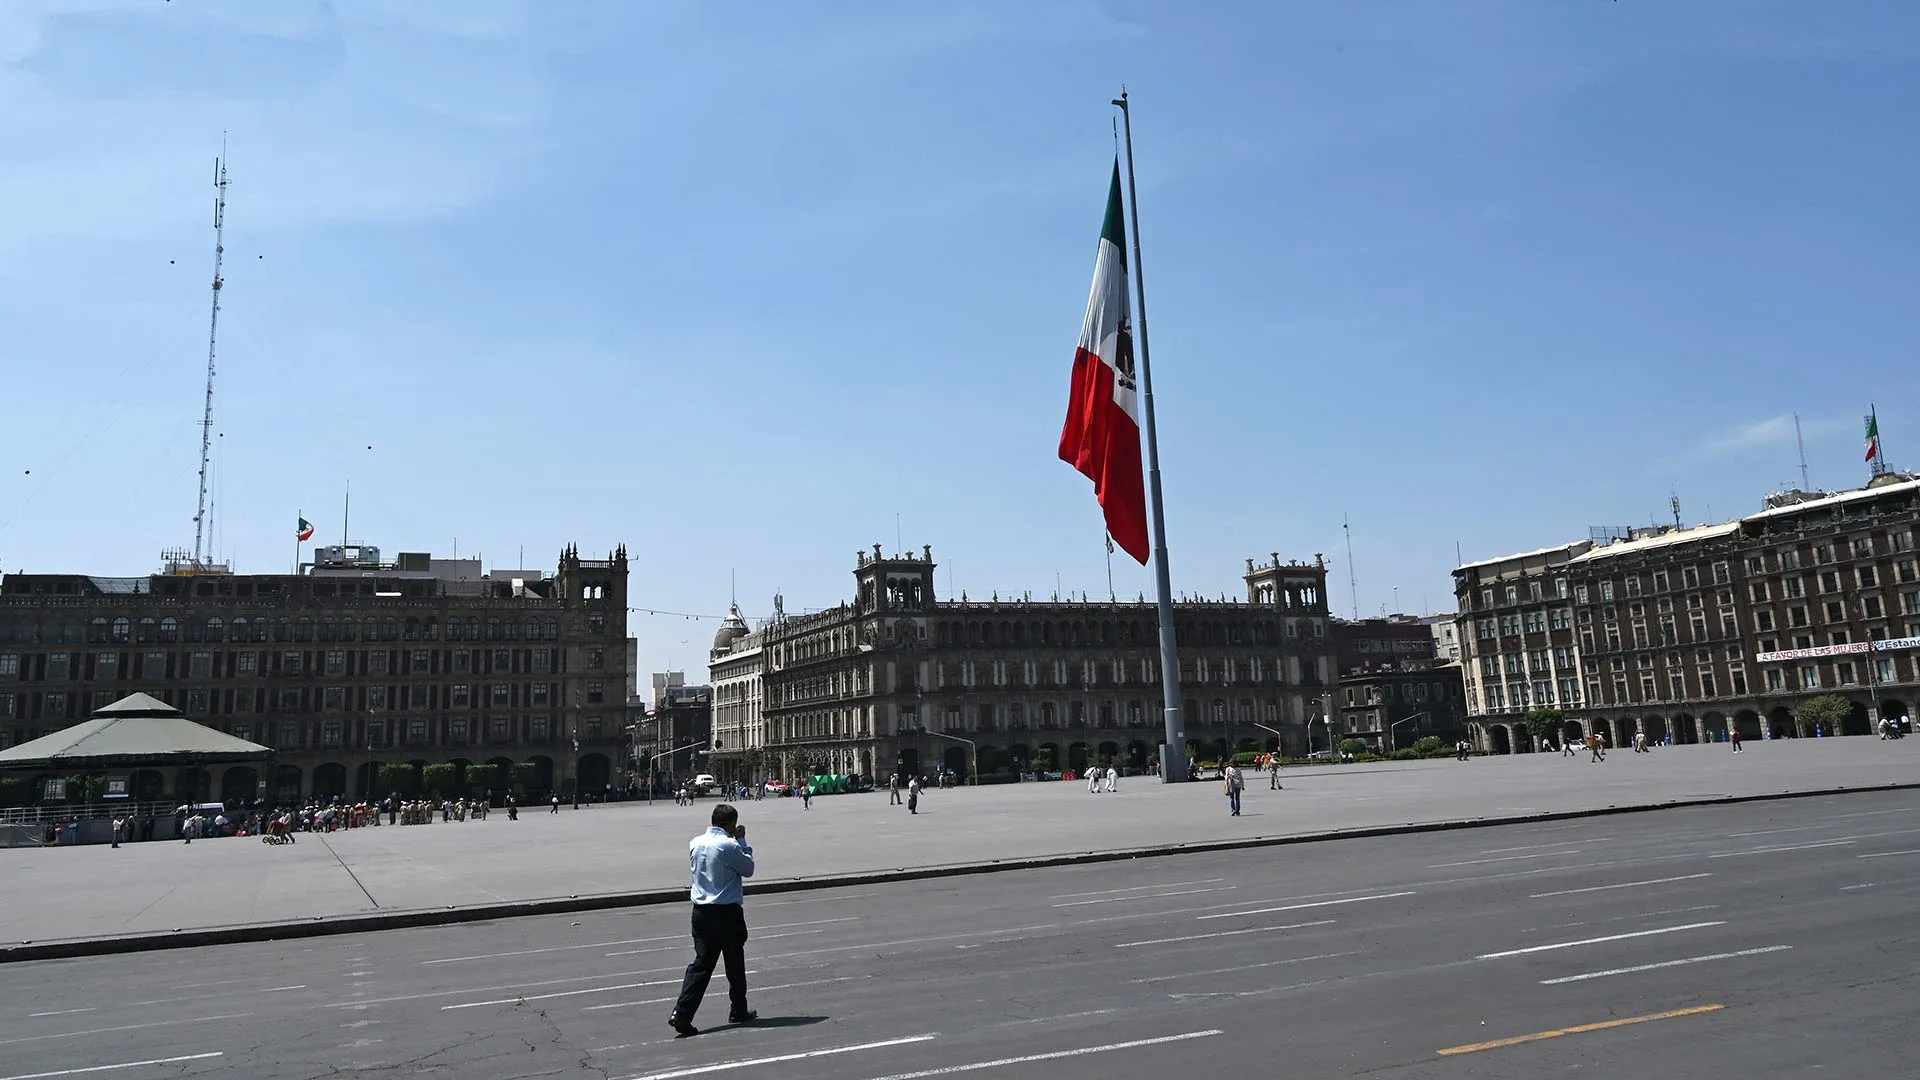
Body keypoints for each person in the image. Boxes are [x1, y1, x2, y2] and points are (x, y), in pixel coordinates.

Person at [670, 803, 757, 1037]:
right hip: (726, 912)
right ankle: (739, 1009)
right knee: (735, 964)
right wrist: (742, 842)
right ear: (730, 824)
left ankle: (681, 1013)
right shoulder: (728, 844)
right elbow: (748, 869)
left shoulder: (695, 842)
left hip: (700, 912)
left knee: (701, 965)